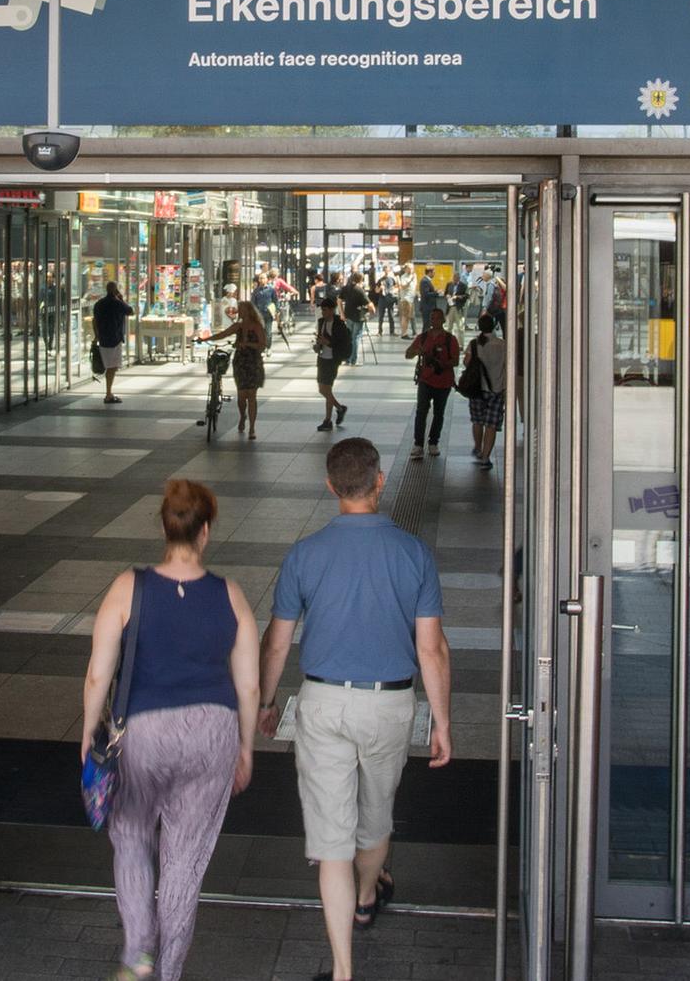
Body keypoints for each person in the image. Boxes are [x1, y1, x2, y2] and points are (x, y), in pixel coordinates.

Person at [255, 438, 452, 981]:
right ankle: (368, 893)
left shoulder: (305, 553)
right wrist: (441, 720)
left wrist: (267, 702)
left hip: (320, 703)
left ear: (330, 487)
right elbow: (431, 648)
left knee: (331, 840)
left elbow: (276, 643)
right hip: (390, 703)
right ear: (380, 481)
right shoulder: (412, 553)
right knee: (376, 816)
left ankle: (343, 972)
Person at [82, 479, 259, 981]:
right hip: (213, 732)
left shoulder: (127, 587)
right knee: (184, 862)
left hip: (143, 731)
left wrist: (87, 734)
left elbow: (99, 672)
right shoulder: (230, 595)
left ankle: (138, 950)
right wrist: (244, 748)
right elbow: (248, 686)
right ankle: (169, 973)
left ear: (164, 527)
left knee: (133, 836)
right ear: (205, 533)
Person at [199, 298, 269, 440]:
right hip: (241, 362)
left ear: (248, 311)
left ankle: (252, 428)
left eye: (241, 309)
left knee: (252, 396)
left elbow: (263, 345)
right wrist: (206, 339)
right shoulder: (238, 326)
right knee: (242, 395)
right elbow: (223, 334)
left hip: (253, 362)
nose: (239, 311)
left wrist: (248, 344)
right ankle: (243, 416)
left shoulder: (257, 326)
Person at [403, 308, 461, 458]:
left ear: (443, 320)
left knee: (439, 413)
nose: (434, 321)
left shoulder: (450, 339)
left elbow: (455, 361)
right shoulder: (422, 338)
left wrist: (440, 363)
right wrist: (418, 352)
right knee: (421, 412)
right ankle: (418, 444)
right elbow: (408, 354)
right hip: (425, 380)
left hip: (444, 382)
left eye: (437, 318)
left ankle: (433, 442)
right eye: (432, 318)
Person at [464, 313, 507, 468]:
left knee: (477, 421)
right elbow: (508, 367)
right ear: (493, 325)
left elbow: (466, 362)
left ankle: (478, 447)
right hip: (496, 389)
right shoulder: (502, 345)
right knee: (491, 424)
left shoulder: (474, 343)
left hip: (477, 389)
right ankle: (485, 457)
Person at [314, 294, 352, 433]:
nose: (323, 312)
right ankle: (340, 408)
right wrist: (318, 345)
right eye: (322, 310)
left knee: (326, 389)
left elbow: (341, 343)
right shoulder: (321, 322)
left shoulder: (339, 324)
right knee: (322, 389)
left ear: (332, 310)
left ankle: (328, 420)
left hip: (333, 359)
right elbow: (320, 338)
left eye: (325, 310)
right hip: (322, 357)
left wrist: (327, 342)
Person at [93, 280, 134, 404]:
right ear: (115, 290)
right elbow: (131, 311)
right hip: (114, 338)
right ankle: (108, 394)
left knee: (109, 366)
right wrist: (121, 299)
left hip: (103, 338)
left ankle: (109, 393)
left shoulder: (99, 303)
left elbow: (94, 321)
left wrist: (97, 336)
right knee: (112, 367)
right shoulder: (118, 303)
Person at [338, 273, 370, 365]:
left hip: (347, 315)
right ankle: (353, 360)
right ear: (360, 280)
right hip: (358, 316)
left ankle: (347, 359)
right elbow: (369, 304)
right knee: (355, 337)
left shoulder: (345, 288)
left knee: (349, 337)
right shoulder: (359, 290)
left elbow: (339, 300)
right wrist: (371, 311)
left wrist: (342, 313)